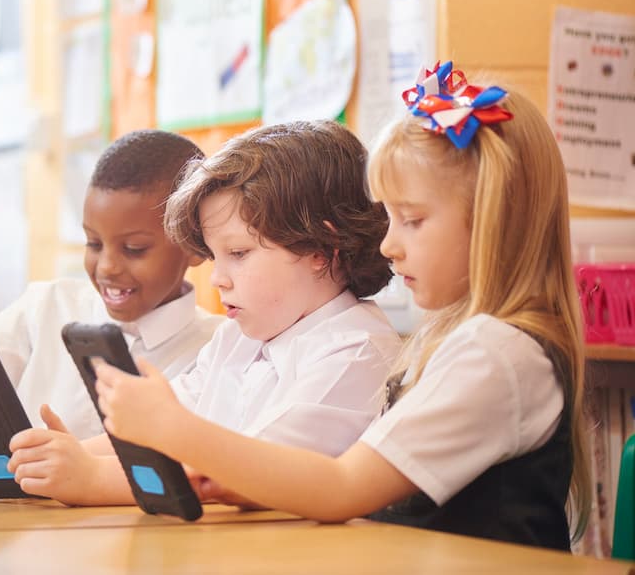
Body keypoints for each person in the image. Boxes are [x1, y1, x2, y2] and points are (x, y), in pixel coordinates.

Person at [93, 63, 590, 550]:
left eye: (412, 220)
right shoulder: (463, 342)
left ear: (491, 221)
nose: (389, 245)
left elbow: (342, 487)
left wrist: (175, 430)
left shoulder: (496, 353)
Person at [7, 119, 401, 505]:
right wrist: (66, 453)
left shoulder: (355, 351)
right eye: (215, 256)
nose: (217, 280)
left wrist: (91, 478)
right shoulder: (238, 336)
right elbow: (153, 433)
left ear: (320, 251)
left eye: (239, 254)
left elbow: (244, 474)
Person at [0, 130, 222, 477]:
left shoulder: (218, 348)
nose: (107, 267)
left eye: (134, 249)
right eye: (93, 243)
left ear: (194, 245)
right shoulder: (49, 306)